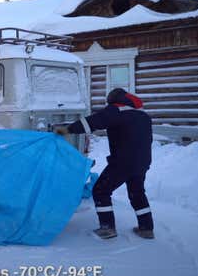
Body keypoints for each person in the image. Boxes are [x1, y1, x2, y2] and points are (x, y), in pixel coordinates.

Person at [54, 88, 154, 240]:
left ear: (114, 100)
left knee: (101, 190)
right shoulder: (143, 115)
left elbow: (92, 122)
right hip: (142, 161)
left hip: (123, 161)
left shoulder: (117, 110)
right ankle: (146, 228)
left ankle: (107, 228)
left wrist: (67, 129)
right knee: (137, 192)